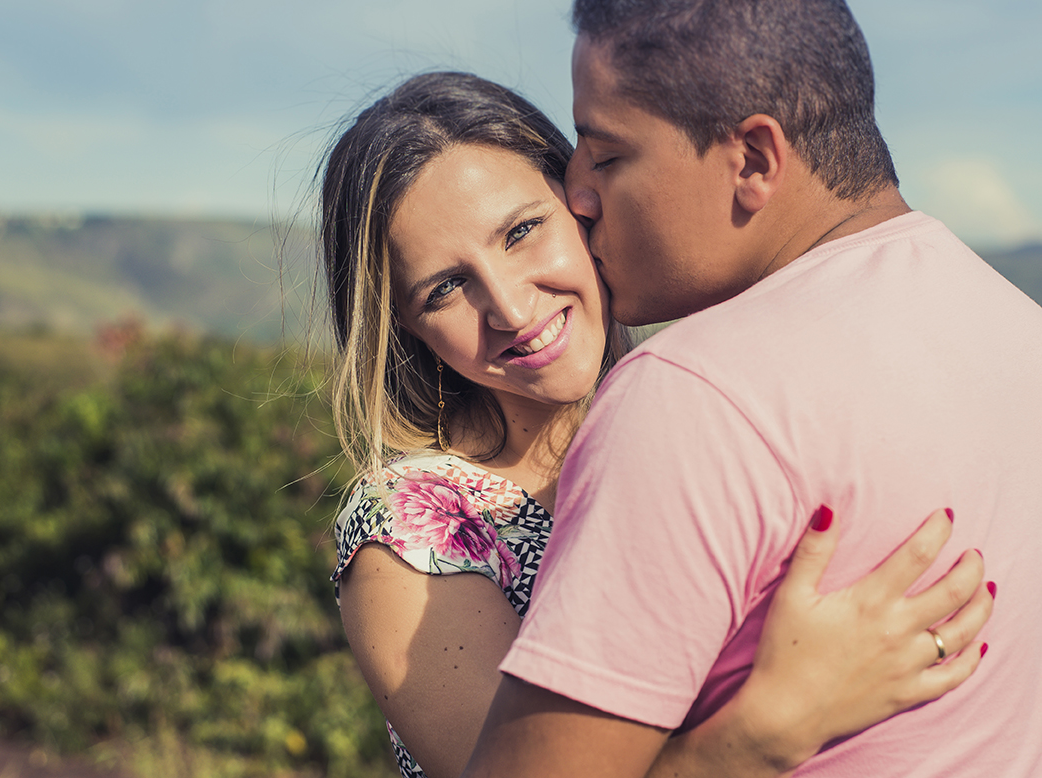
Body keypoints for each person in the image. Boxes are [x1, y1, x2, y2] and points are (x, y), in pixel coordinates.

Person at [320, 72, 993, 778]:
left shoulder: (698, 421)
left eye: (521, 232)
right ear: (405, 327)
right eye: (446, 288)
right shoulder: (407, 530)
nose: (511, 310)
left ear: (581, 203)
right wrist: (773, 726)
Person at [461, 1, 1042, 777]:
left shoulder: (692, 397)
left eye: (606, 157)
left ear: (754, 160)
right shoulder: (1018, 329)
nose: (579, 197)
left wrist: (745, 744)